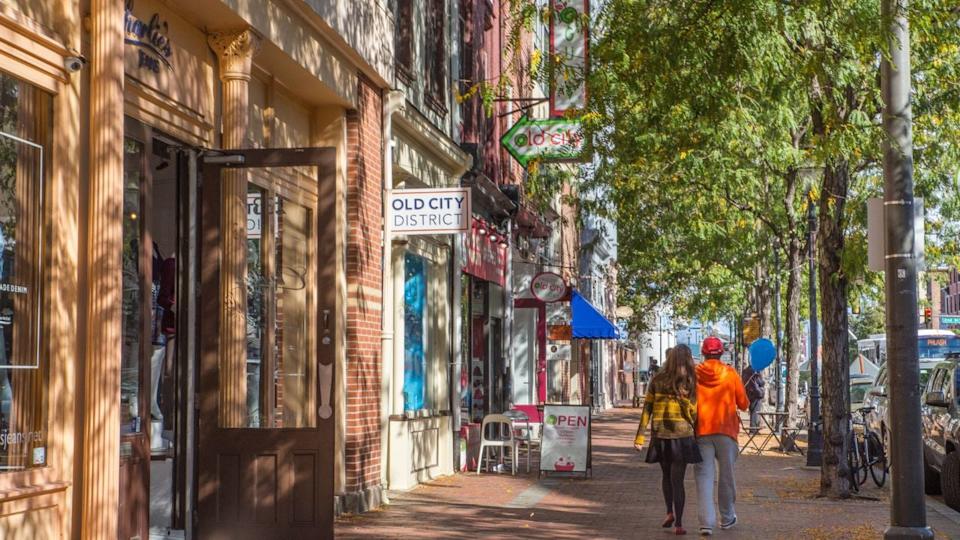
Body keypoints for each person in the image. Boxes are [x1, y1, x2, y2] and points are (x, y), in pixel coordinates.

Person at [634, 345, 701, 536]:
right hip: (682, 437)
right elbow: (693, 413)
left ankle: (669, 512)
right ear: (688, 360)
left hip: (661, 436)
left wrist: (640, 436)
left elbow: (647, 408)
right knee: (678, 480)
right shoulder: (690, 382)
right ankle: (679, 524)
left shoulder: (657, 380)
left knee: (666, 476)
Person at [694, 336, 748, 536]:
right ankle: (727, 517)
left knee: (704, 477)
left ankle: (705, 522)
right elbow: (743, 403)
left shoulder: (695, 373)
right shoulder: (730, 373)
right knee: (727, 476)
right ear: (721, 352)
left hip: (702, 430)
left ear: (704, 352)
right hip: (727, 431)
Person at [741, 364, 765, 434]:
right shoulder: (755, 371)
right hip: (756, 394)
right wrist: (763, 382)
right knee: (755, 412)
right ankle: (753, 430)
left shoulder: (745, 371)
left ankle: (753, 428)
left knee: (752, 412)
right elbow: (760, 382)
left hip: (748, 394)